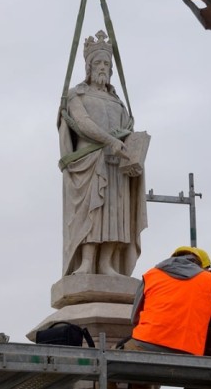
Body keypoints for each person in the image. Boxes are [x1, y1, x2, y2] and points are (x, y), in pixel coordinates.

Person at [57, 30, 147, 276]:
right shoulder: (77, 95)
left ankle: (107, 264)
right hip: (90, 162)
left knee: (115, 214)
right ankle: (86, 263)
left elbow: (127, 129)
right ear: (88, 66)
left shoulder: (118, 101)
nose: (103, 67)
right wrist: (109, 140)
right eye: (98, 62)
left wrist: (135, 149)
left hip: (116, 165)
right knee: (91, 213)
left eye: (107, 63)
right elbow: (83, 123)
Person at [126, 247, 211, 356]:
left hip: (145, 343)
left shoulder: (150, 275)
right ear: (199, 264)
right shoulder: (208, 279)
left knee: (110, 362)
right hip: (188, 351)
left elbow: (135, 319)